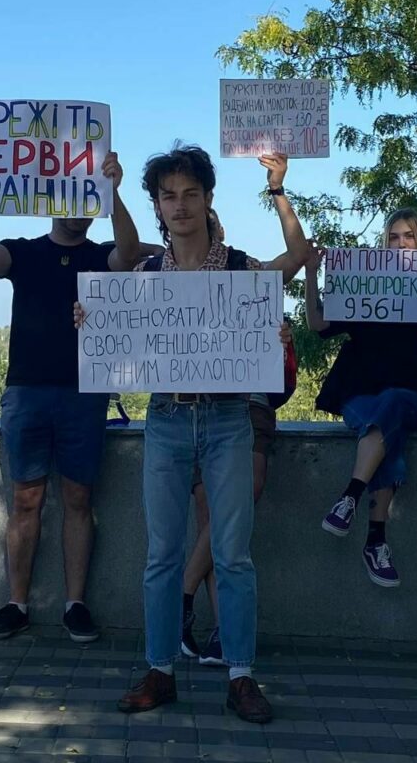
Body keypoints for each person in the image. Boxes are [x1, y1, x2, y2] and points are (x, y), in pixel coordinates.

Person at [93, 144, 305, 724]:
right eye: (169, 196)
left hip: (228, 419)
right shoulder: (145, 274)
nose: (180, 205)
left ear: (209, 199)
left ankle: (241, 675)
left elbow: (298, 258)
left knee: (233, 555)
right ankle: (160, 669)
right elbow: (114, 331)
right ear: (157, 206)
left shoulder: (241, 269)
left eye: (190, 194)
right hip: (165, 418)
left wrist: (275, 335)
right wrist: (95, 325)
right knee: (161, 555)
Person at [0, 150, 141, 644]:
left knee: (78, 498)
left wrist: (114, 189)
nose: (78, 205)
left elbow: (132, 254)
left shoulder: (101, 256)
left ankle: (75, 604)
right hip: (26, 393)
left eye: (87, 195)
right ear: (52, 198)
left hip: (84, 395)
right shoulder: (23, 252)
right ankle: (17, 603)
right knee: (24, 500)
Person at [180, 155, 305, 665]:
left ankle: (180, 597)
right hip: (188, 412)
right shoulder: (165, 276)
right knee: (215, 518)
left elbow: (298, 255)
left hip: (246, 407)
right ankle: (224, 636)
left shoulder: (244, 270)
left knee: (239, 502)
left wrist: (277, 190)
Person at [305, 208, 417, 587]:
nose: (401, 244)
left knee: (393, 404)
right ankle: (375, 541)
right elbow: (317, 323)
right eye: (393, 237)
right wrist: (313, 271)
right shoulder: (365, 283)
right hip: (358, 391)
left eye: (408, 236)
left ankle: (350, 495)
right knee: (386, 432)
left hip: (411, 393)